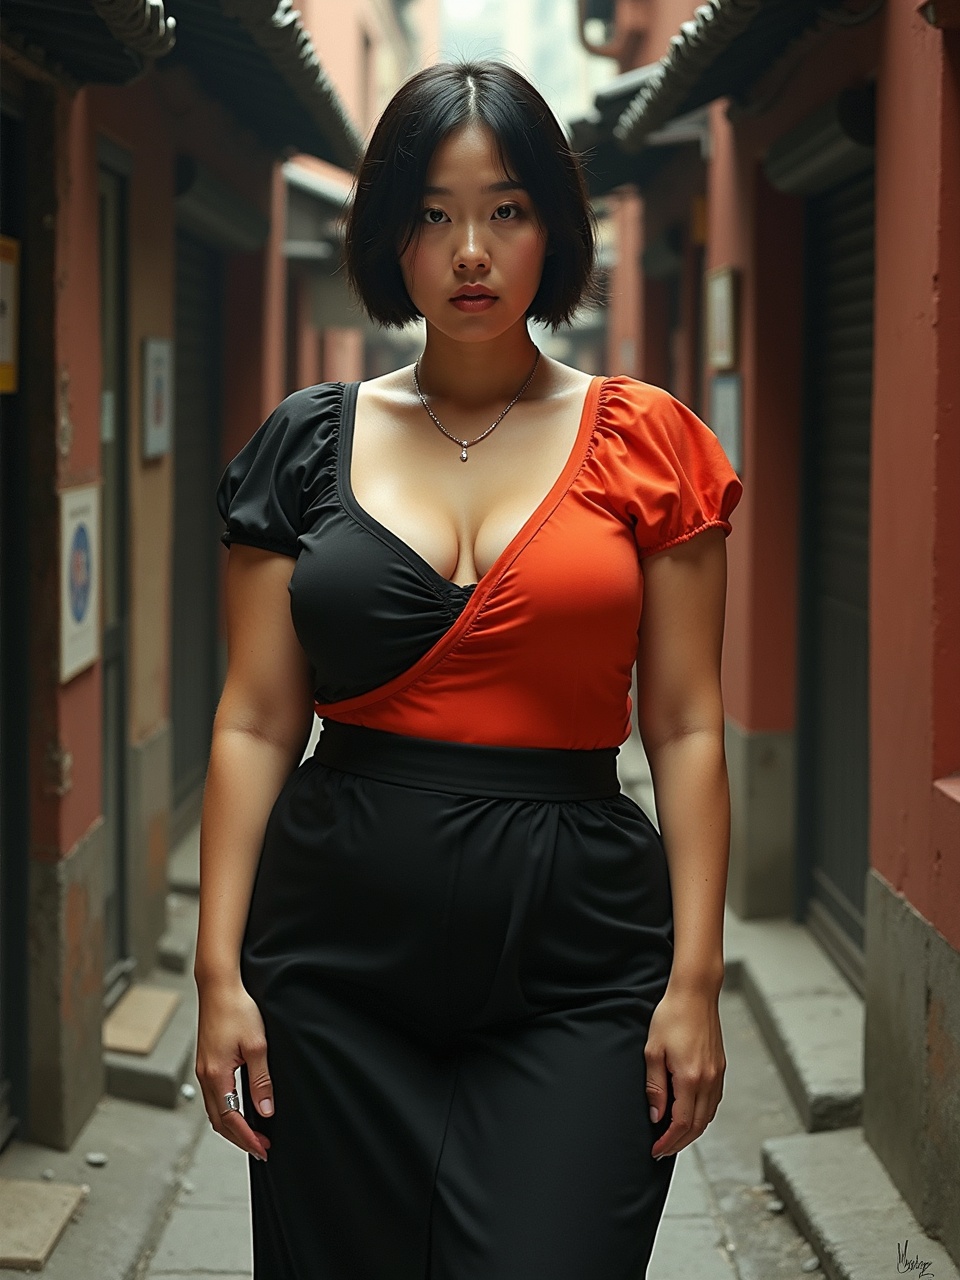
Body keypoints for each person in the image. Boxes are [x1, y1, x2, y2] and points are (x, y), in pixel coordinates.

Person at [195, 58, 743, 1280]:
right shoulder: (303, 444)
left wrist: (696, 980)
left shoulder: (647, 443)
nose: (470, 251)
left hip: (579, 954)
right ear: (390, 235)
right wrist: (216, 970)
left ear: (556, 222)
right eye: (433, 215)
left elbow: (693, 727)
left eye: (505, 209)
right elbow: (253, 721)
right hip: (334, 954)